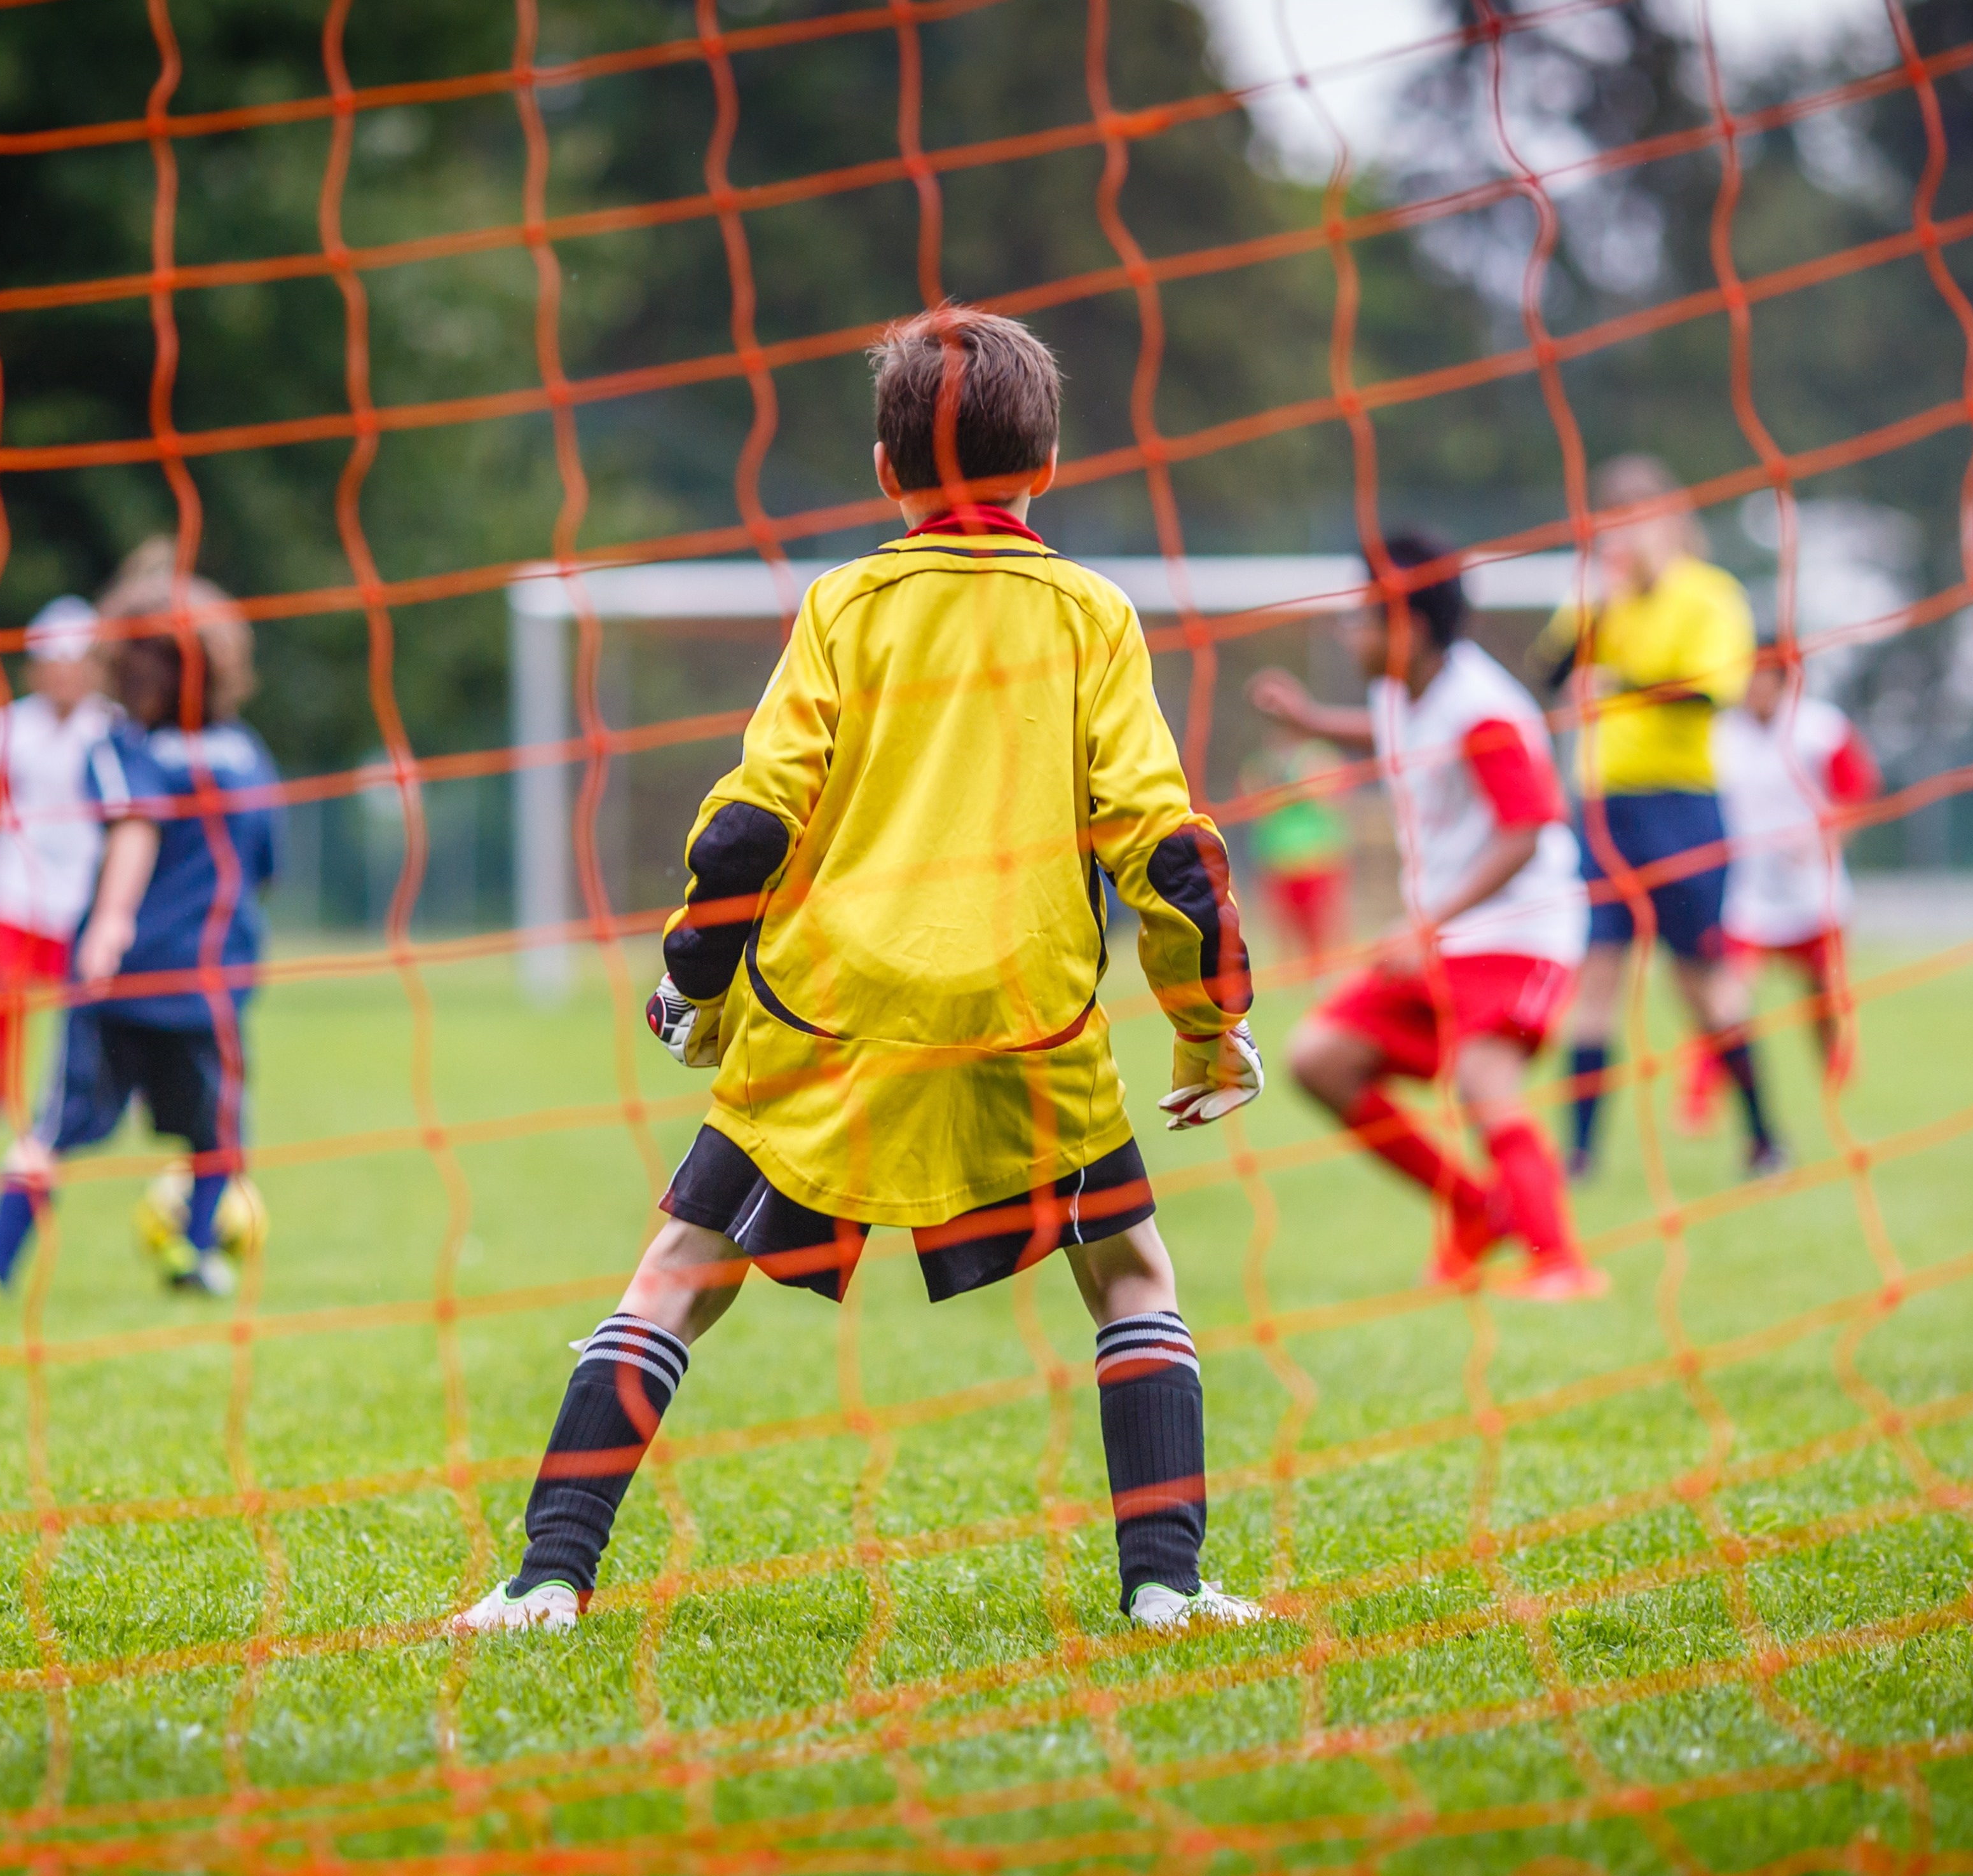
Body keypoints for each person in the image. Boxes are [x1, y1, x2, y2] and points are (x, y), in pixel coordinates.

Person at [450, 307, 1267, 1637]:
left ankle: (546, 1579)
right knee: (1130, 1279)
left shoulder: (842, 604)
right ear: (1046, 466)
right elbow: (1160, 844)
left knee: (675, 1276)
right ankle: (1164, 1588)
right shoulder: (1091, 614)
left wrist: (693, 986)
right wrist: (1205, 1023)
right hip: (1020, 1021)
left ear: (884, 472)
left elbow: (747, 826)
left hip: (827, 1015)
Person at [1248, 534, 1601, 1300]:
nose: (1347, 633)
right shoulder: (1399, 691)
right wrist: (1310, 720)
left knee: (1482, 1077)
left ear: (1404, 628)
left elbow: (1527, 828)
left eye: (1360, 619)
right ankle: (1476, 1210)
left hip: (1520, 933)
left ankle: (1561, 1265)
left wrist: (1427, 923)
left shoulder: (1482, 710)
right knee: (1318, 1058)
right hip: (1443, 935)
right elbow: (1394, 737)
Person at [0, 556, 277, 1303]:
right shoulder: (247, 757)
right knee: (216, 1132)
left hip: (117, 974)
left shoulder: (120, 748)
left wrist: (110, 921)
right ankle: (196, 1252)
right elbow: (254, 863)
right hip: (205, 976)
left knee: (54, 1129)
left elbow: (133, 825)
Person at [1528, 455, 1780, 1180]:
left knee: (1700, 984)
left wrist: (1620, 683)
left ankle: (1763, 1139)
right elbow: (1549, 672)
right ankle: (1579, 1156)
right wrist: (1598, 605)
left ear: (1672, 519)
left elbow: (1711, 693)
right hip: (1602, 809)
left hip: (1682, 808)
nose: (1624, 535)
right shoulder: (1597, 597)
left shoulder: (1709, 595)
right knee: (1595, 976)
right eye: (1611, 521)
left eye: (1636, 519)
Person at [1681, 643, 1882, 1128]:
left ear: (1784, 681)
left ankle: (1836, 1070)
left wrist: (1824, 840)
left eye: (1761, 677)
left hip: (1813, 892)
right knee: (1727, 995)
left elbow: (1856, 792)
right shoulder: (1718, 734)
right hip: (1745, 893)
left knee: (1823, 995)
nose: (1751, 687)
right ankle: (1699, 1099)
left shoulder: (1821, 729)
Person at [0, 595, 119, 1120]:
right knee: (4, 990)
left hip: (83, 883)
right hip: (13, 878)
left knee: (85, 997)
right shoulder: (8, 726)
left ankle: (84, 1087)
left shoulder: (111, 728)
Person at [1237, 724, 1357, 966]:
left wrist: (1305, 785)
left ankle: (1325, 974)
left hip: (1318, 856)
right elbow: (1250, 806)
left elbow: (1337, 797)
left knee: (1323, 929)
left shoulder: (1318, 756)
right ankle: (1297, 977)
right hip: (1277, 858)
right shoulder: (1262, 764)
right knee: (1285, 930)